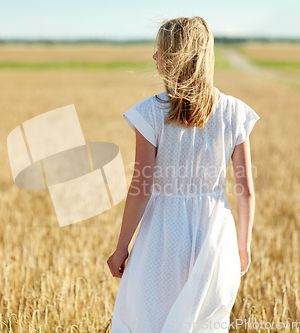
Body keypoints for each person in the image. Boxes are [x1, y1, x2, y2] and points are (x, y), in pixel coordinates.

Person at [107, 16, 259, 333]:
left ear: (174, 57)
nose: (154, 57)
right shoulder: (235, 111)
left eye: (160, 50)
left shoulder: (150, 112)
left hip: (163, 234)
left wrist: (122, 247)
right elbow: (245, 190)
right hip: (216, 234)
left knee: (149, 322)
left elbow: (141, 185)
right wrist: (242, 244)